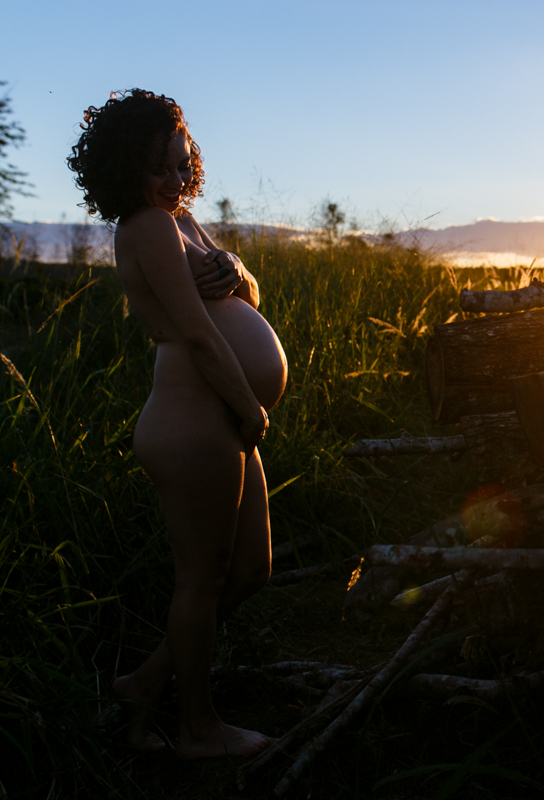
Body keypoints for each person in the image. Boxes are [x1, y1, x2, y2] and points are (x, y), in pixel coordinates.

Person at [67, 89, 287, 758]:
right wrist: (248, 407)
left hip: (220, 416)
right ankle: (197, 727)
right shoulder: (147, 227)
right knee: (202, 580)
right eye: (156, 167)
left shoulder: (182, 219)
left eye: (181, 163)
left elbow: (244, 297)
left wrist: (239, 269)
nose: (173, 178)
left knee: (251, 570)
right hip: (194, 417)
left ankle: (144, 684)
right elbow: (194, 331)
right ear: (123, 168)